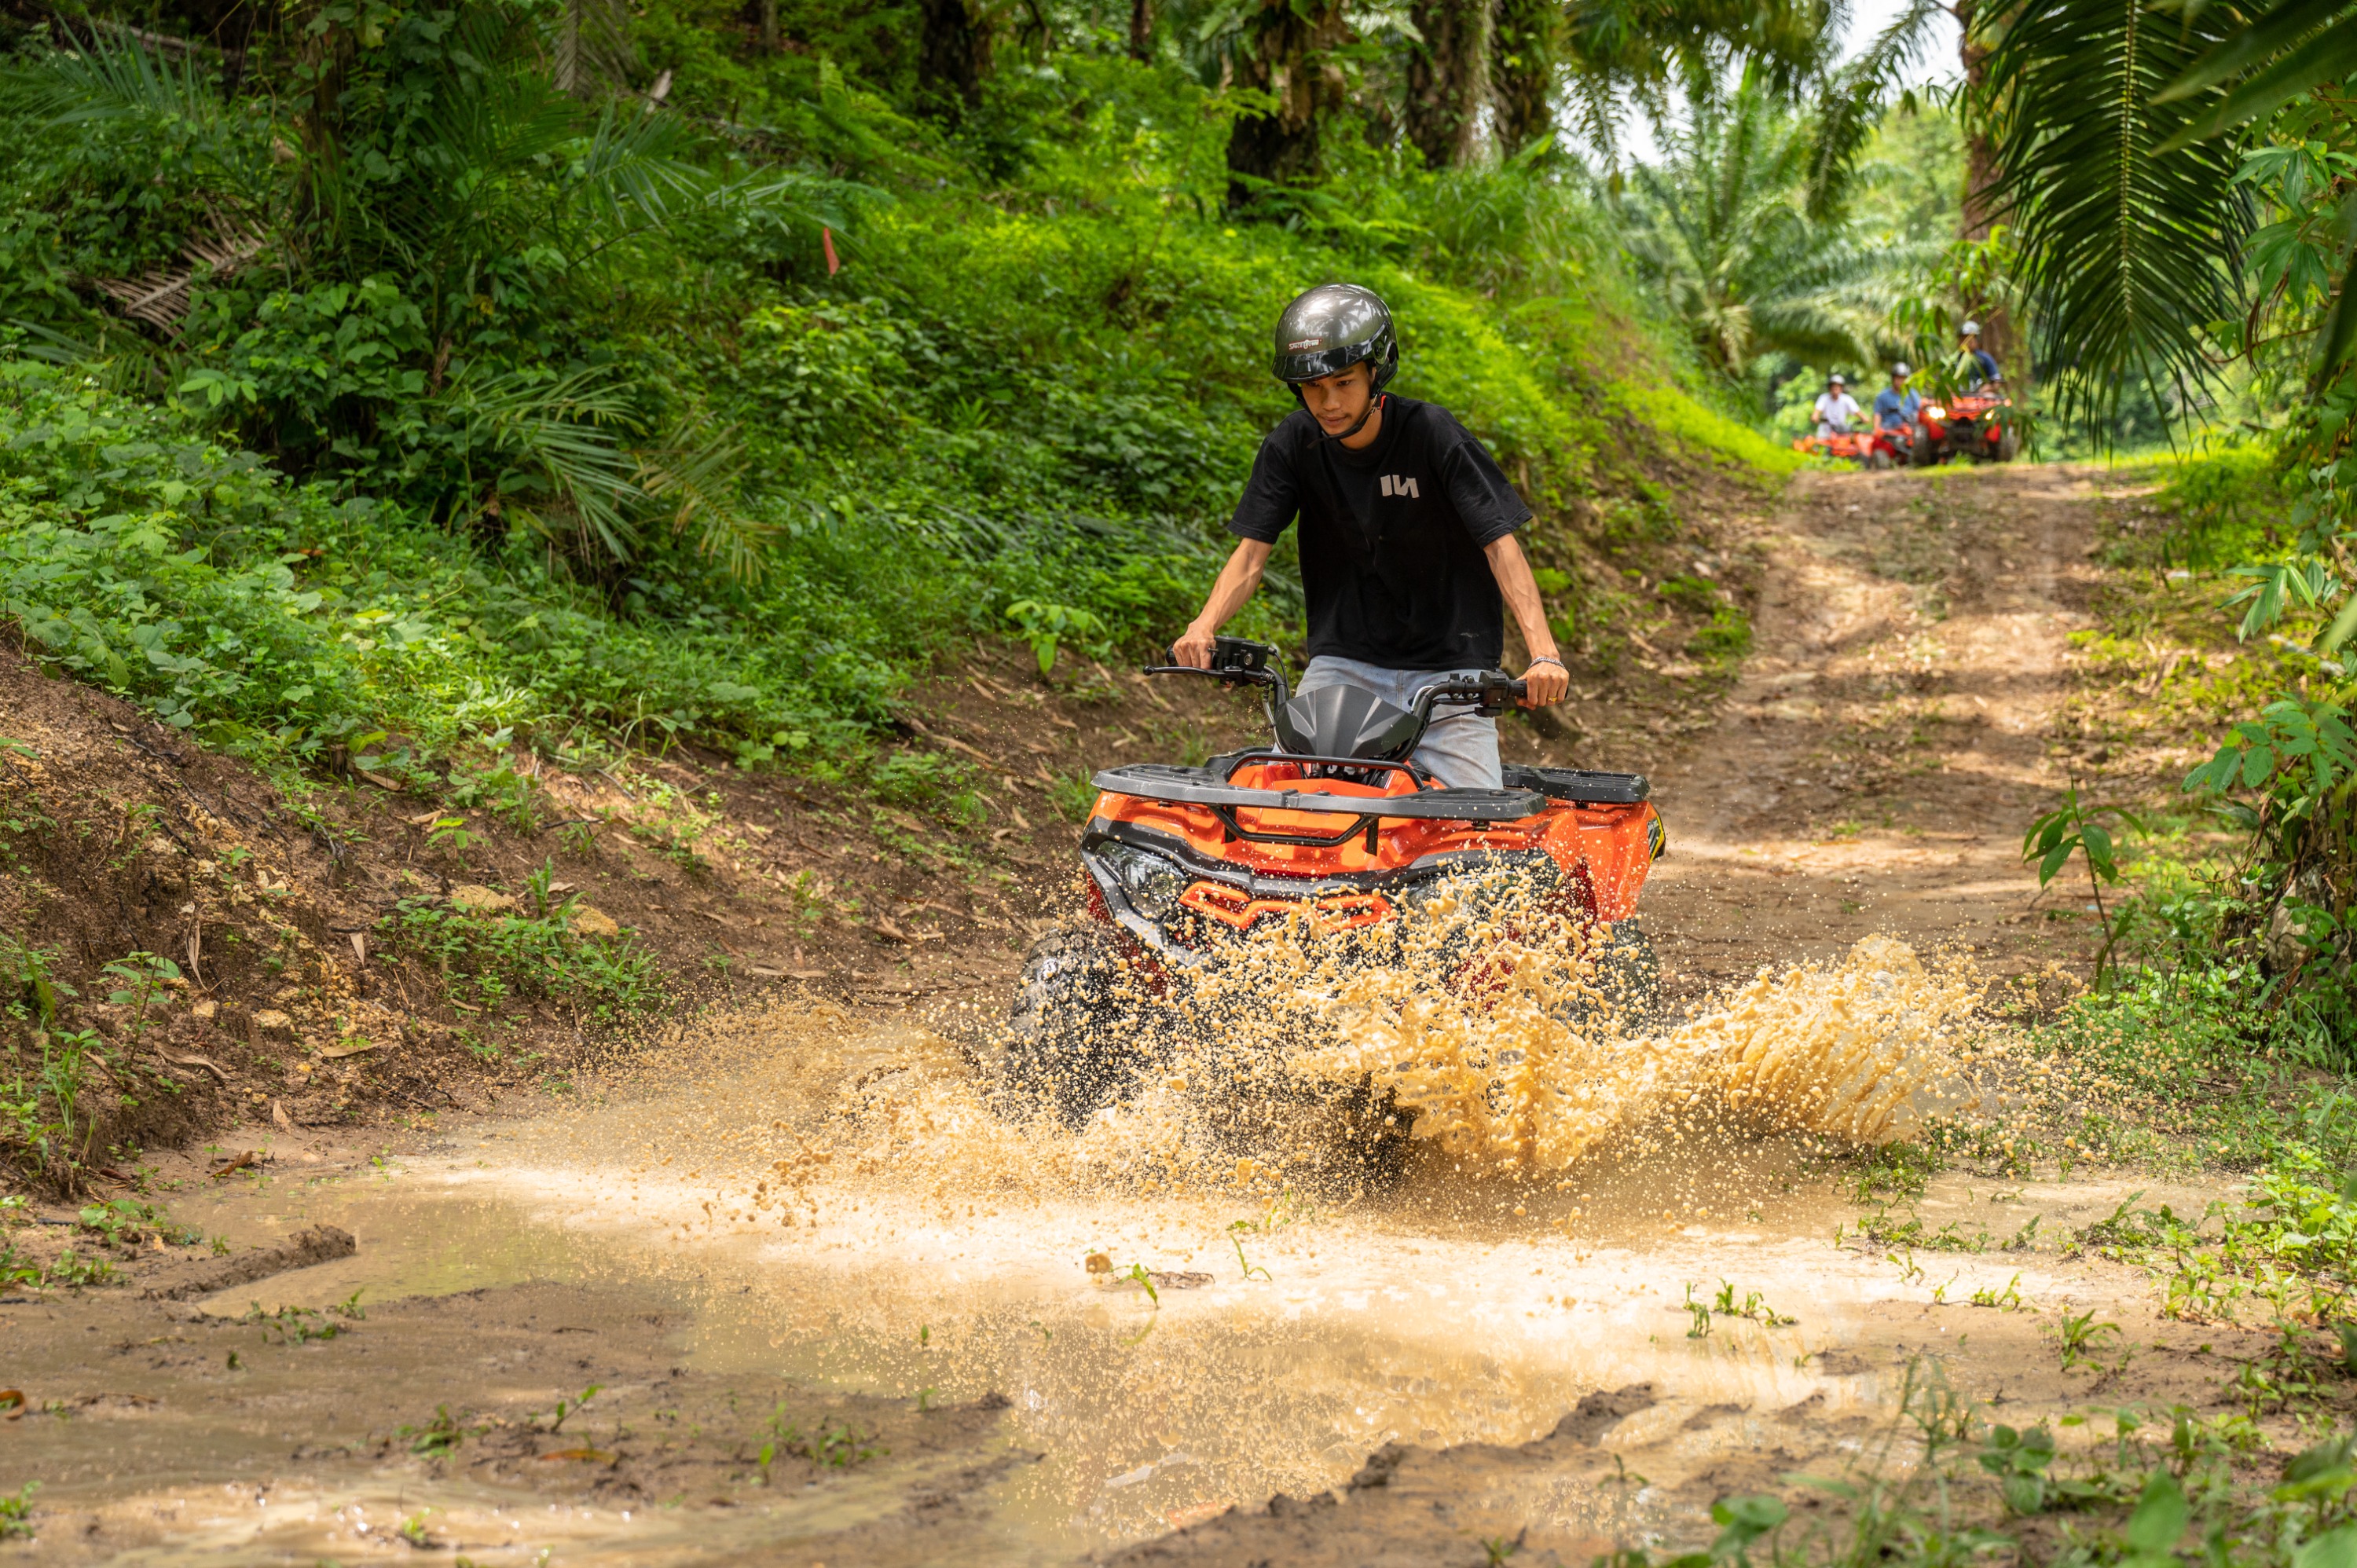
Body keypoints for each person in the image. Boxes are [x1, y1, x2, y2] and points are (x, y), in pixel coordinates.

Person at [1174, 283, 1568, 789]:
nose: (1328, 402)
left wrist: (1543, 655)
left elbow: (1500, 545)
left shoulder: (1432, 434)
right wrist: (1203, 626)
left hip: (1452, 668)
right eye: (1313, 387)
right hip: (1344, 665)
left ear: (1375, 373)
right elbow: (1252, 555)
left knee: (1475, 825)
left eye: (1343, 383)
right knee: (1281, 800)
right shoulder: (1293, 444)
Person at [1873, 362, 1920, 432]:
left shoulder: (1913, 395)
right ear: (1893, 379)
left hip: (1908, 431)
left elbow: (1919, 411)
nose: (1900, 381)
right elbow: (1877, 414)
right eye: (1898, 378)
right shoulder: (1883, 396)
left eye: (1903, 379)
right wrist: (1876, 430)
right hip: (1888, 431)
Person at [1811, 372, 1861, 437]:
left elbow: (1856, 411)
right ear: (1829, 388)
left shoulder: (1847, 399)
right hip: (1825, 433)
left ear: (1841, 388)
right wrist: (1815, 416)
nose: (1835, 388)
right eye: (1833, 386)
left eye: (1837, 386)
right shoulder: (1824, 398)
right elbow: (1817, 411)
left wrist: (1864, 418)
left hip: (1841, 431)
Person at [1959, 321, 2003, 390]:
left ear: (1976, 340)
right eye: (1963, 339)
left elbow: (1996, 381)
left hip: (1980, 397)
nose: (1966, 342)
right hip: (1958, 397)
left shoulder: (1985, 359)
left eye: (1969, 339)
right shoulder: (1955, 360)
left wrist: (1983, 390)